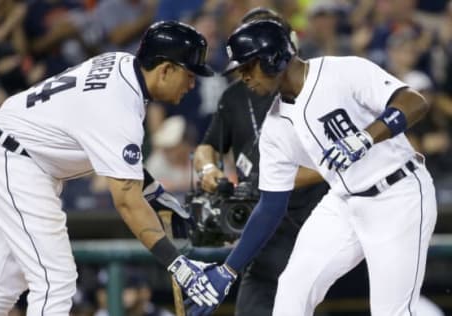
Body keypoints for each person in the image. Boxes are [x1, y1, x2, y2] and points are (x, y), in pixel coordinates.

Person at [187, 19, 437, 316]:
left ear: (273, 58)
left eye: (247, 68)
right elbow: (270, 207)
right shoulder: (275, 129)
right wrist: (229, 270)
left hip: (398, 194)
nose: (244, 78)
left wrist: (366, 138)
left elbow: (414, 102)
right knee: (293, 289)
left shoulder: (342, 71)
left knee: (391, 311)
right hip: (343, 201)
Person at [0, 21, 219, 314]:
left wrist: (156, 193)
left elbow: (116, 155)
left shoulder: (123, 64)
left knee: (3, 282)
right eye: (188, 75)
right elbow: (126, 201)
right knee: (55, 280)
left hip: (2, 146)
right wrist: (178, 265)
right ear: (165, 69)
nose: (192, 85)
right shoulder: (118, 107)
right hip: (16, 160)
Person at [193, 7, 328, 316]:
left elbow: (330, 163)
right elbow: (206, 148)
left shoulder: (309, 90)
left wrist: (270, 180)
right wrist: (209, 170)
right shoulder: (236, 95)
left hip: (317, 222)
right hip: (265, 229)